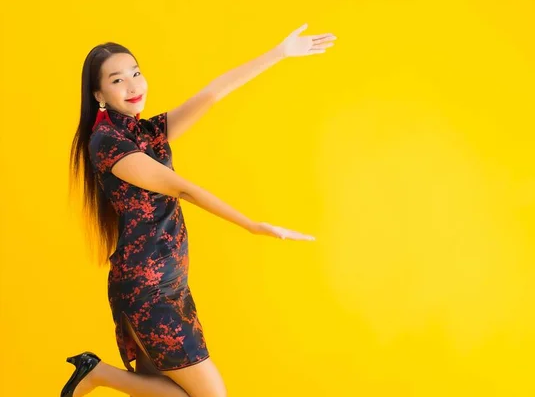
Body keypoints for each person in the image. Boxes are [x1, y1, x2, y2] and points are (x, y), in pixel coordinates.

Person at [64, 24, 336, 397]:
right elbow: (183, 189)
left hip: (171, 284)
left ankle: (96, 374)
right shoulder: (107, 141)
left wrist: (279, 53)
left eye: (136, 73)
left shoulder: (144, 132)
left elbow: (212, 93)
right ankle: (98, 375)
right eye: (117, 80)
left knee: (161, 390)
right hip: (147, 289)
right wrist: (252, 225)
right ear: (99, 94)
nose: (133, 85)